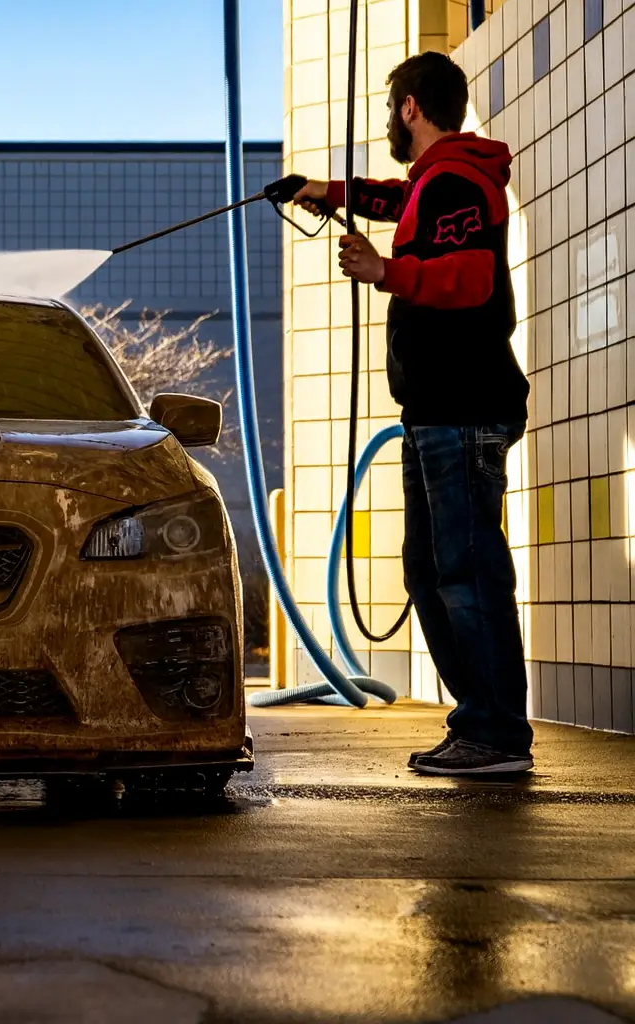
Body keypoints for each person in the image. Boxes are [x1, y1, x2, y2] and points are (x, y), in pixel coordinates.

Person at [293, 51, 533, 775]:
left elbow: (474, 277)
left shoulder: (455, 177)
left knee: (466, 571)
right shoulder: (440, 180)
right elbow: (402, 202)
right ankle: (481, 725)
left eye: (389, 107)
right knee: (430, 571)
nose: (387, 120)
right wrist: (324, 190)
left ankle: (495, 734)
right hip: (439, 411)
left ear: (408, 108)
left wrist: (385, 272)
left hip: (463, 409)